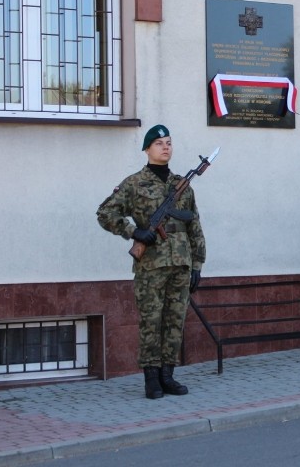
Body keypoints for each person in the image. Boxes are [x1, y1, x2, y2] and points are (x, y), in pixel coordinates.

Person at [97, 125, 206, 399]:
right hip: (151, 266)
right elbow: (105, 212)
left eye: (169, 142)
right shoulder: (134, 183)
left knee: (174, 321)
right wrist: (133, 232)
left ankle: (168, 376)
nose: (166, 147)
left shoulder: (182, 185)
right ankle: (151, 379)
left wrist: (197, 265)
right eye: (159, 143)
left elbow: (194, 225)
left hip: (181, 264)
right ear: (147, 149)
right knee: (151, 321)